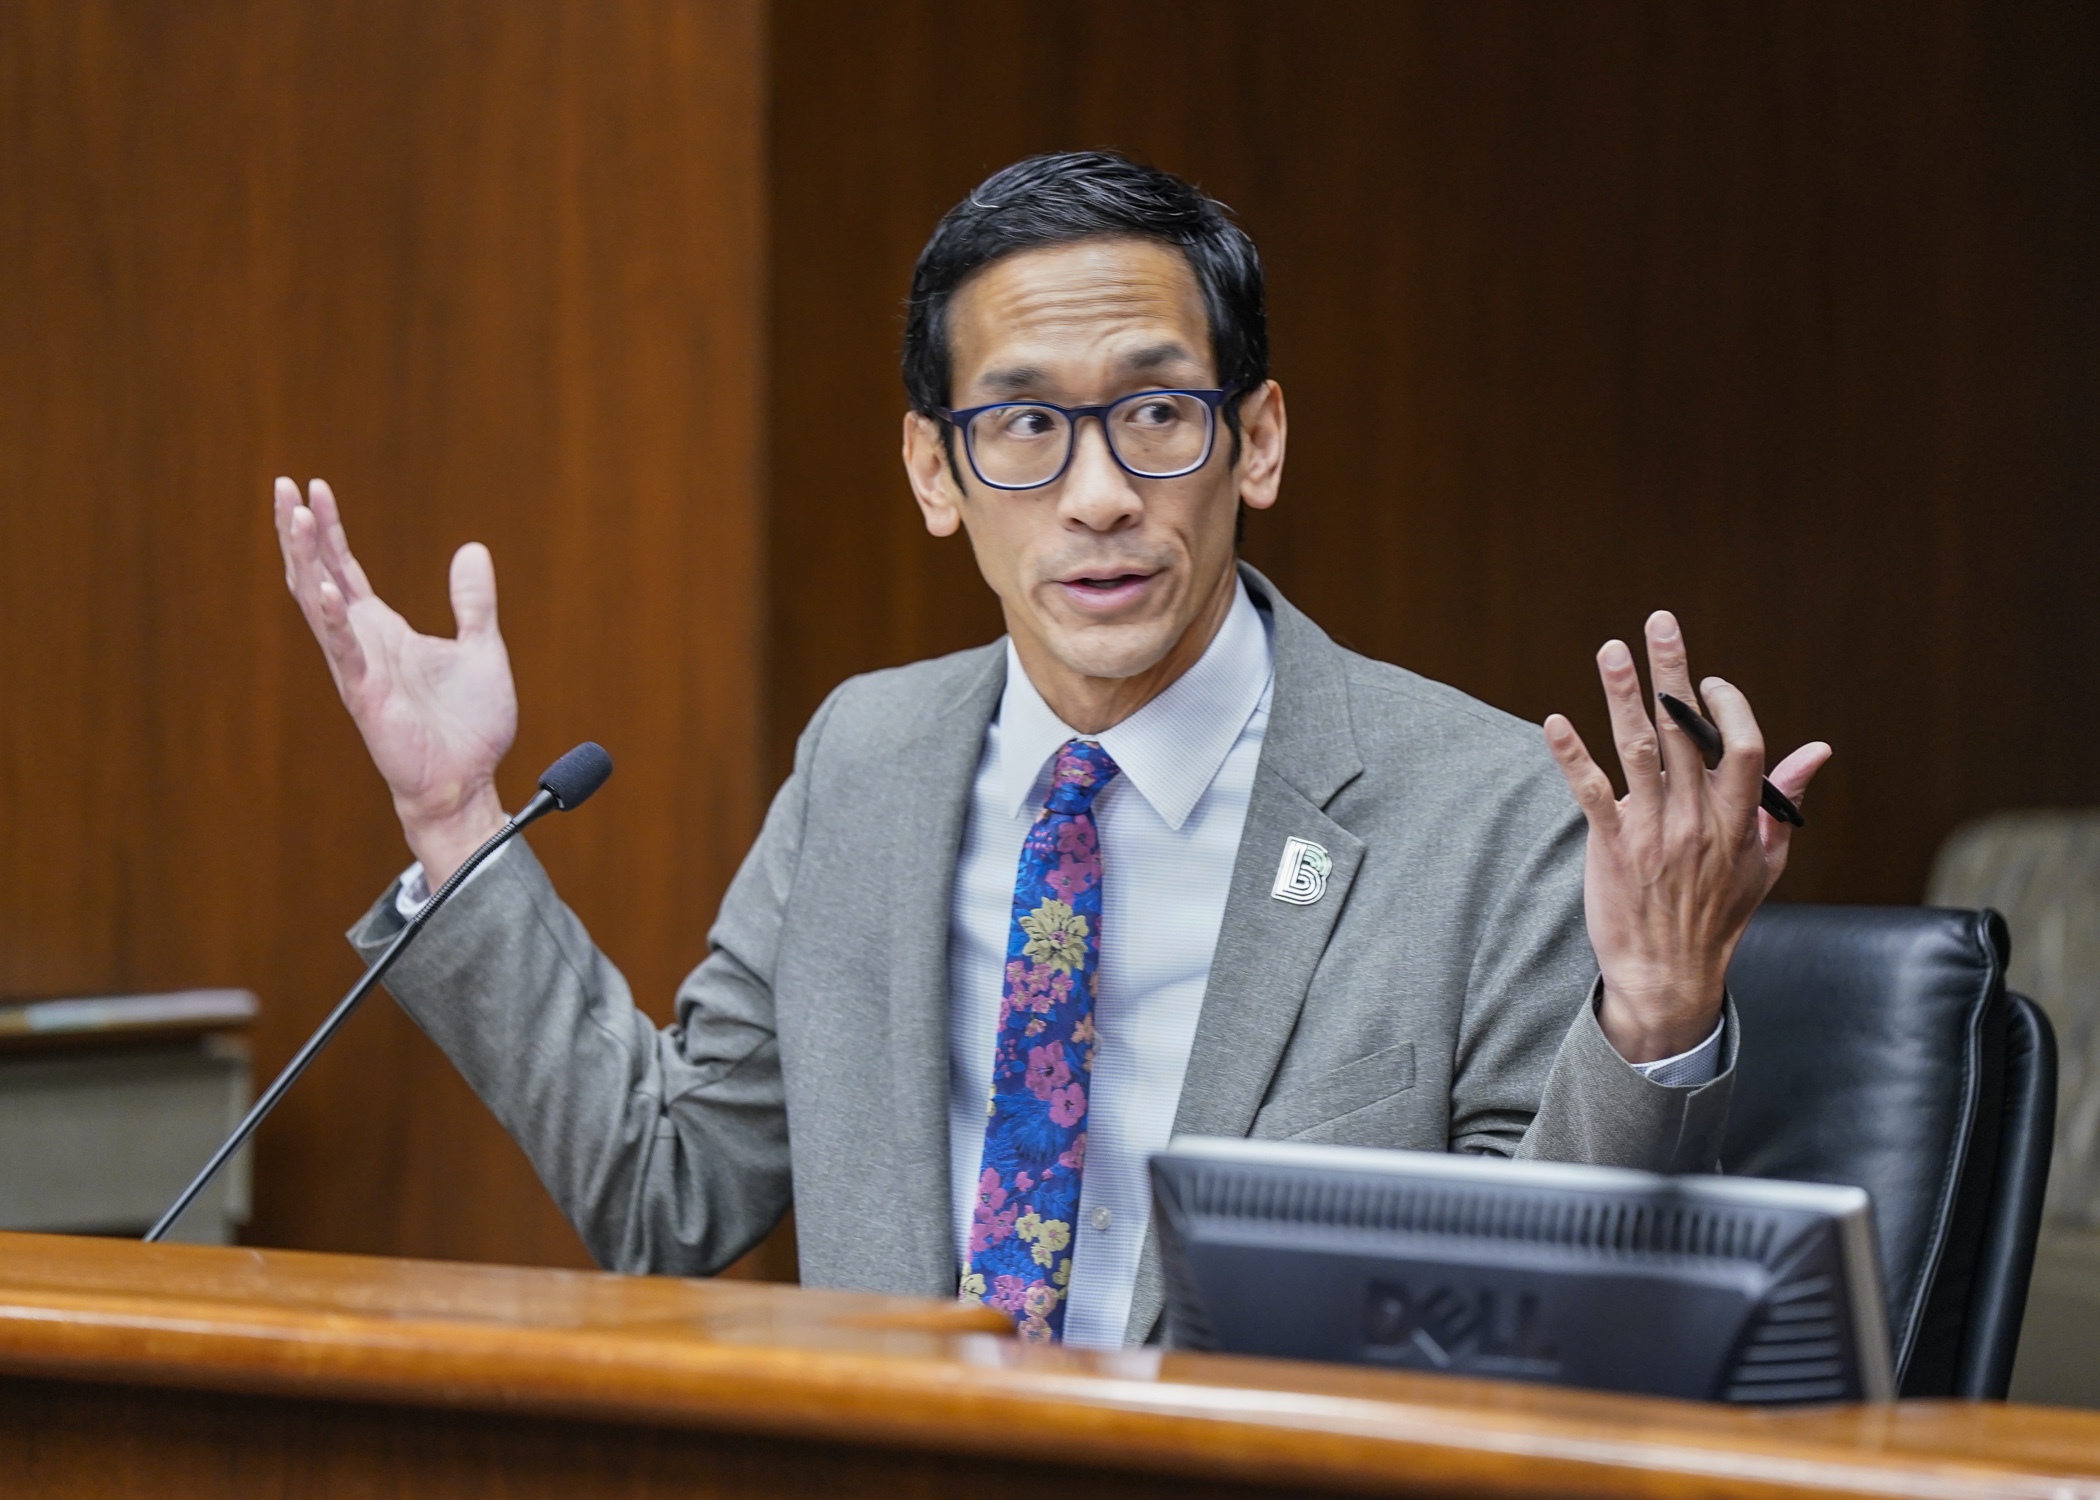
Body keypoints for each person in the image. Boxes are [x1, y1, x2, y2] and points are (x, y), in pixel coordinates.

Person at [273, 151, 1828, 1348]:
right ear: (935, 472)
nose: (1095, 494)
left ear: (1259, 440)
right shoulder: (867, 760)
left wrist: (1659, 1011)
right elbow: (666, 1196)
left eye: (1158, 410)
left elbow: (1542, 1330)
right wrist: (454, 817)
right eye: (1021, 425)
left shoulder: (1482, 806)